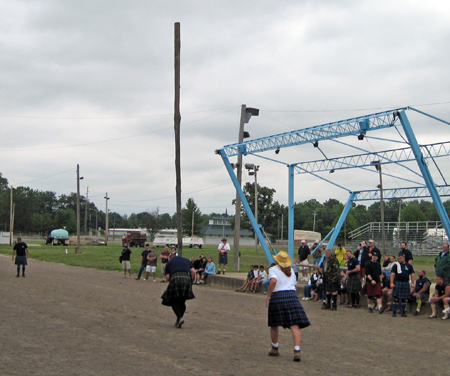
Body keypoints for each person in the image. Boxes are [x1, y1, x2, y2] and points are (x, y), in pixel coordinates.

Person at [266, 251, 310, 362]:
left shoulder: (273, 269)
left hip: (277, 296)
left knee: (274, 323)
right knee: (294, 325)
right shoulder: (292, 271)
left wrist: (268, 296)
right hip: (292, 296)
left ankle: (275, 348)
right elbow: (294, 286)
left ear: (277, 261)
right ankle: (297, 350)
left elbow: (273, 281)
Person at [161, 254, 196, 328]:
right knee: (182, 301)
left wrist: (172, 281)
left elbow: (167, 277)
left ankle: (180, 317)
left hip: (175, 278)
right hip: (186, 278)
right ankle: (179, 320)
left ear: (170, 258)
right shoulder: (186, 260)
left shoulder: (169, 263)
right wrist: (191, 280)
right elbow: (193, 271)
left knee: (174, 300)